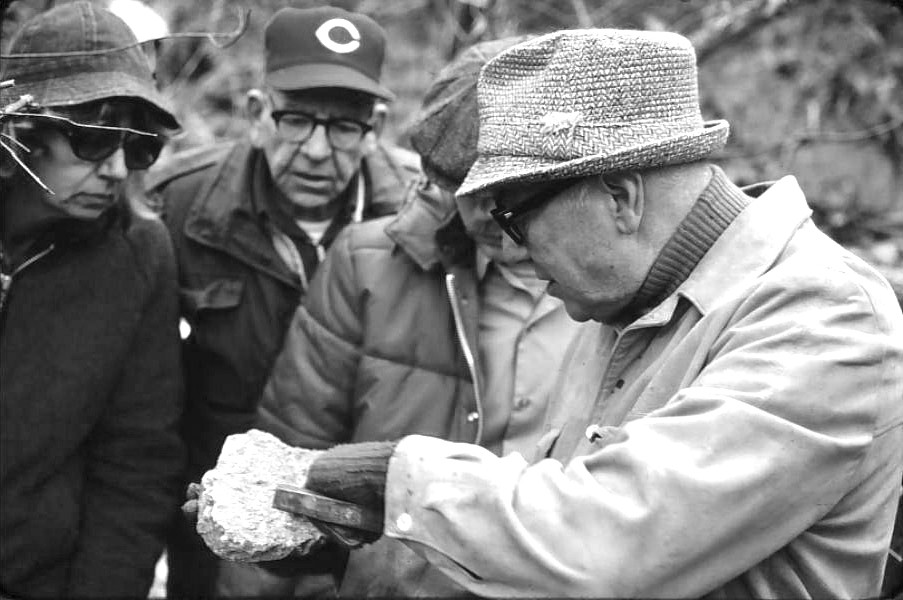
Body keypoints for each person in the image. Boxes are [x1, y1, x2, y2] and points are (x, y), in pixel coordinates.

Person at [291, 29, 903, 597]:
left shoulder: (826, 316)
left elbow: (616, 534)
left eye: (514, 217)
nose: (514, 249)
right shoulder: (623, 304)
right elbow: (545, 521)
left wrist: (398, 478)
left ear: (621, 196)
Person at [249, 36, 584, 597]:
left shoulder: (631, 290)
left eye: (503, 190)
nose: (483, 213)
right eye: (461, 188)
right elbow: (292, 466)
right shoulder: (367, 265)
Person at [146, 5, 420, 597]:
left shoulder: (417, 221)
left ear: (374, 125)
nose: (319, 150)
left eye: (345, 127)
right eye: (296, 121)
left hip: (363, 542)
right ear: (255, 113)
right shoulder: (181, 208)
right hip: (217, 528)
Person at [0, 2, 184, 597]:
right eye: (93, 138)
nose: (115, 169)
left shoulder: (139, 255)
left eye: (139, 147)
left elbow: (136, 463)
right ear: (19, 131)